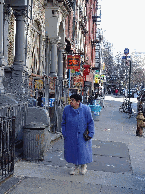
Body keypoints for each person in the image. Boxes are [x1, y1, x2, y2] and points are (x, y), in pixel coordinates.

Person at [61, 94, 94, 175]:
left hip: (82, 135)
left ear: (78, 102)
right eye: (70, 100)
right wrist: (64, 133)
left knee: (83, 151)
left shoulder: (86, 109)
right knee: (73, 151)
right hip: (71, 135)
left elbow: (90, 122)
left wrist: (90, 133)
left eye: (72, 100)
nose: (70, 102)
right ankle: (76, 167)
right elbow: (63, 123)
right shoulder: (67, 109)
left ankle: (83, 165)